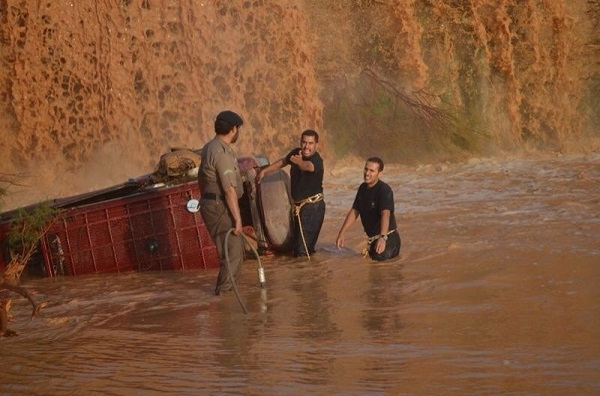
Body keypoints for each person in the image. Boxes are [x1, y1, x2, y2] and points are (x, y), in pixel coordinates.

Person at [256, 129, 325, 258]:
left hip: (313, 208)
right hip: (299, 208)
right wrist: (265, 171)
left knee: (301, 250)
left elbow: (309, 167)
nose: (306, 146)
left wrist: (299, 163)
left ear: (316, 144)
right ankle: (313, 272)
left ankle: (304, 275)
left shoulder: (317, 160)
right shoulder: (296, 153)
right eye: (304, 142)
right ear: (300, 142)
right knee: (302, 248)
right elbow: (283, 162)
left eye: (310, 143)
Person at [198, 110, 245, 295]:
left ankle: (225, 293)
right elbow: (229, 189)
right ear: (233, 129)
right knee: (232, 252)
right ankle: (224, 298)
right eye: (238, 129)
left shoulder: (211, 146)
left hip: (212, 203)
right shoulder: (221, 152)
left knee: (232, 251)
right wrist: (238, 220)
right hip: (219, 205)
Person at [336, 157, 401, 261]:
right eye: (366, 169)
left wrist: (383, 238)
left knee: (381, 268)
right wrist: (342, 232)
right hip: (374, 239)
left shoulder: (384, 190)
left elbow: (385, 214)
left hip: (388, 239)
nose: (367, 173)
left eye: (372, 171)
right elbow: (355, 211)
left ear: (379, 174)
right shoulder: (362, 188)